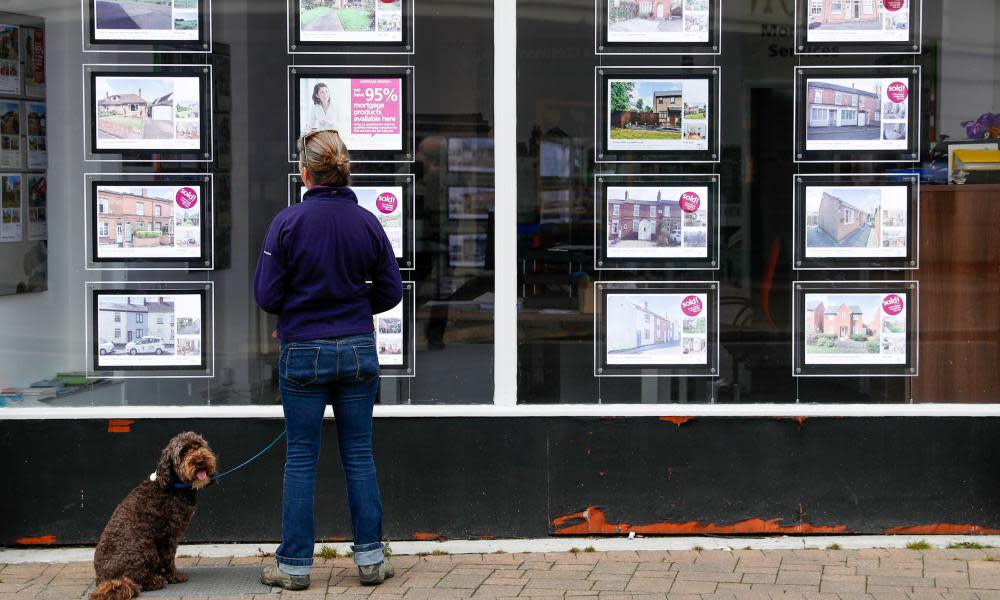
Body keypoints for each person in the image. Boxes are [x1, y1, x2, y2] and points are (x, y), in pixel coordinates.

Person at [253, 130, 403, 591]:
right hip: (357, 348)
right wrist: (355, 311)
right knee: (359, 454)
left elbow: (266, 294)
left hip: (302, 351)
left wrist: (300, 312)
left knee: (301, 458)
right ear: (344, 169)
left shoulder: (287, 223)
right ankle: (372, 561)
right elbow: (392, 290)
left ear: (305, 173)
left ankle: (295, 567)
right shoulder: (367, 222)